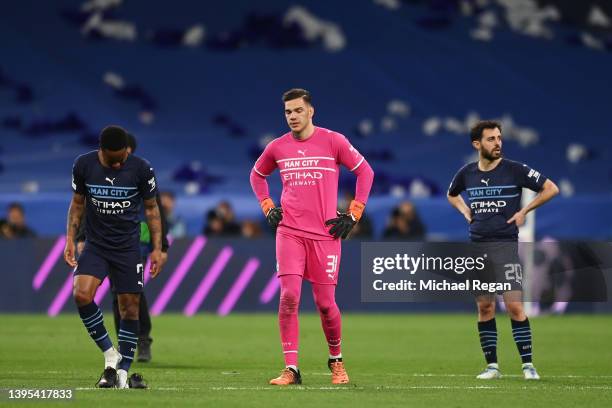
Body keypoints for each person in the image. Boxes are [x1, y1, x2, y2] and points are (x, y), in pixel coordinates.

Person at [250, 88, 374, 385]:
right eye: (288, 112)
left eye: (297, 110)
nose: (292, 116)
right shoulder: (277, 147)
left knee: (325, 304)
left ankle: (336, 361)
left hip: (325, 235)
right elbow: (257, 176)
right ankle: (291, 368)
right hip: (289, 232)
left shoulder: (333, 141)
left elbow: (366, 173)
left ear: (310, 111)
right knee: (289, 296)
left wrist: (354, 213)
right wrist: (268, 206)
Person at [447, 120, 559, 380]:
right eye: (491, 139)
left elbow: (551, 188)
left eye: (499, 138)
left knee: (515, 307)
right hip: (477, 247)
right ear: (477, 144)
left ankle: (528, 366)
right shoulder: (467, 173)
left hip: (505, 246)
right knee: (485, 308)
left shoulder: (515, 170)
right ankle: (492, 367)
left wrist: (524, 211)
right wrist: (466, 212)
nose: (498, 143)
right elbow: (452, 194)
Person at [64, 125, 166, 389]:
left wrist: (157, 247)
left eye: (123, 157)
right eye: (114, 159)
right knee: (81, 294)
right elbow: (77, 205)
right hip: (96, 245)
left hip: (128, 248)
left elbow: (153, 210)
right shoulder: (83, 165)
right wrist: (70, 240)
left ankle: (122, 371)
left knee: (130, 308)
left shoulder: (141, 169)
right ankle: (111, 354)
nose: (120, 163)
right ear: (102, 151)